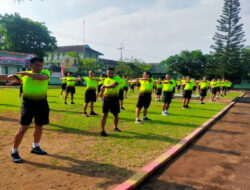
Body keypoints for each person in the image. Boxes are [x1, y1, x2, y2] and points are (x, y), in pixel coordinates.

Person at [0, 57, 50, 163]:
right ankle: (14, 151)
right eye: (37, 65)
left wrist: (26, 74)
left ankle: (35, 146)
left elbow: (41, 78)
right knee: (23, 128)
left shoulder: (45, 72)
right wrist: (16, 78)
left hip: (42, 104)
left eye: (41, 65)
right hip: (28, 104)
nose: (40, 67)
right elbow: (7, 77)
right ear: (30, 65)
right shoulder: (24, 74)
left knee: (39, 126)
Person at [99, 68, 122, 137]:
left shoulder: (117, 78)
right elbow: (104, 88)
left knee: (115, 115)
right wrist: (101, 92)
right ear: (106, 73)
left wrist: (105, 86)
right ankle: (102, 130)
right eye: (108, 73)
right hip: (106, 99)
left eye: (111, 73)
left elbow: (114, 85)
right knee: (104, 115)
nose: (110, 74)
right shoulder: (106, 80)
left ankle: (115, 127)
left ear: (114, 73)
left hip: (115, 99)